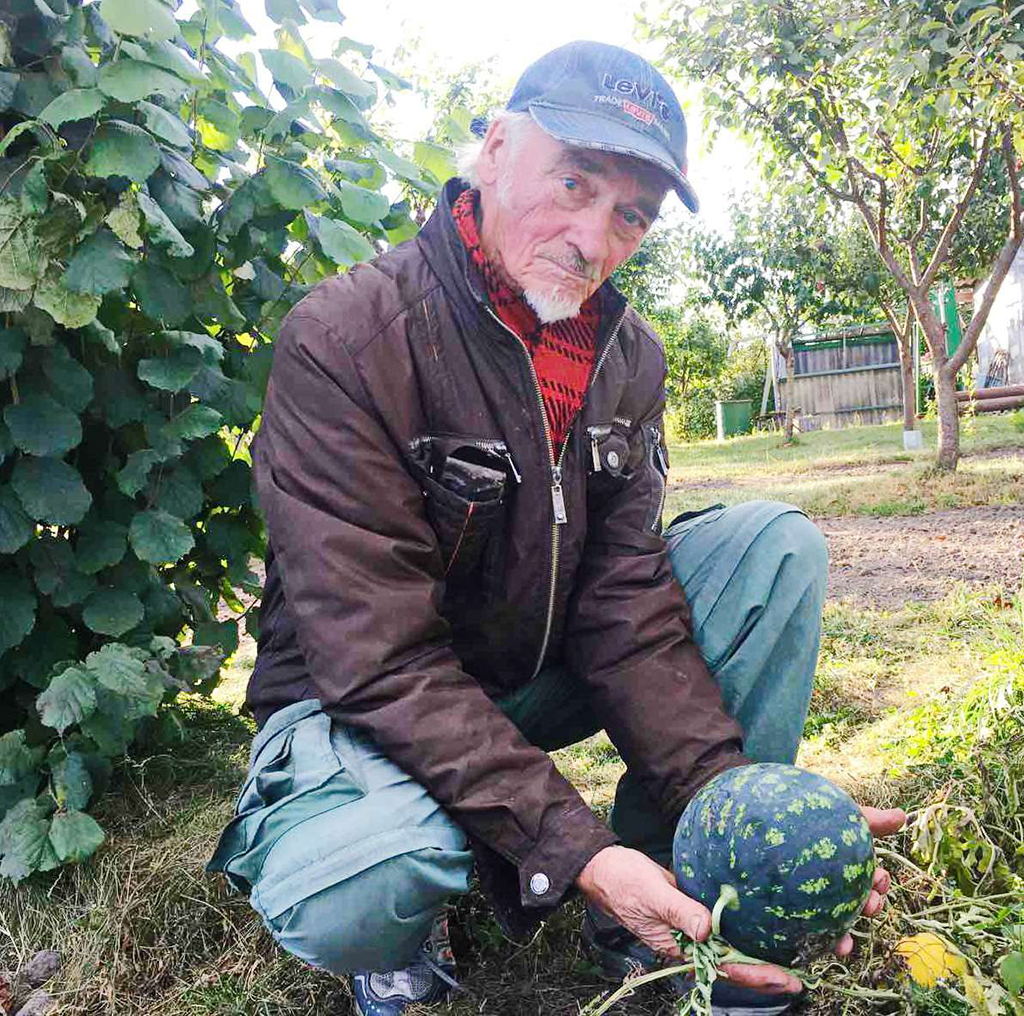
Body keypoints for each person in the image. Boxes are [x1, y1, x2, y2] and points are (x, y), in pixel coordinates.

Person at [208, 40, 904, 1016]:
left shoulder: (625, 357)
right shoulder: (347, 337)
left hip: (519, 677)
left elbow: (622, 599)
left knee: (773, 545)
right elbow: (375, 659)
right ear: (494, 150)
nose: (592, 236)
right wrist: (575, 847)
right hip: (352, 702)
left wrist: (732, 799)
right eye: (571, 180)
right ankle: (407, 917)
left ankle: (672, 898)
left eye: (630, 213)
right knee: (364, 881)